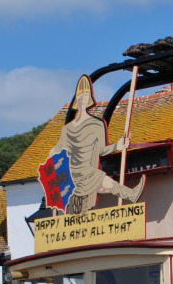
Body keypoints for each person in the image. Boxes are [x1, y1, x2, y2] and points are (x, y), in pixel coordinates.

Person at [50, 75, 145, 215]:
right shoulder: (67, 129)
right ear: (77, 99)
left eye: (85, 95)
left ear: (89, 98)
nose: (83, 99)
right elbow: (59, 148)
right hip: (73, 173)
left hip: (88, 169)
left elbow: (101, 150)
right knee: (101, 183)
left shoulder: (97, 124)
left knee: (102, 181)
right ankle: (131, 194)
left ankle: (131, 195)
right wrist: (52, 154)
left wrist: (117, 146)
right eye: (80, 96)